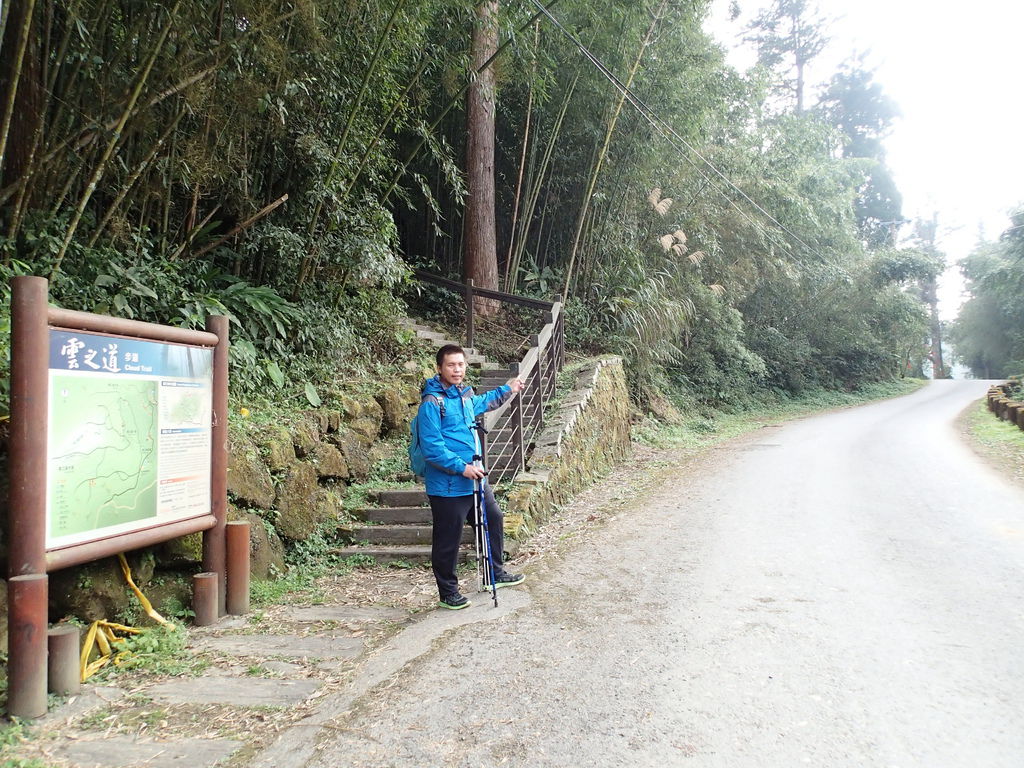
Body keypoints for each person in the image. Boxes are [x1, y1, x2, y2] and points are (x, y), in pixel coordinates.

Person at [417, 343, 526, 609]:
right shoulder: (431, 404)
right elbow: (432, 448)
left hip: (474, 481)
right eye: (451, 365)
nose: (457, 369)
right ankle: (448, 593)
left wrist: (508, 388)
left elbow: (483, 402)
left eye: (461, 364)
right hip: (448, 485)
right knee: (448, 540)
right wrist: (462, 467)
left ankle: (494, 574)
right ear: (440, 368)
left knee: (494, 518)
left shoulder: (463, 396)